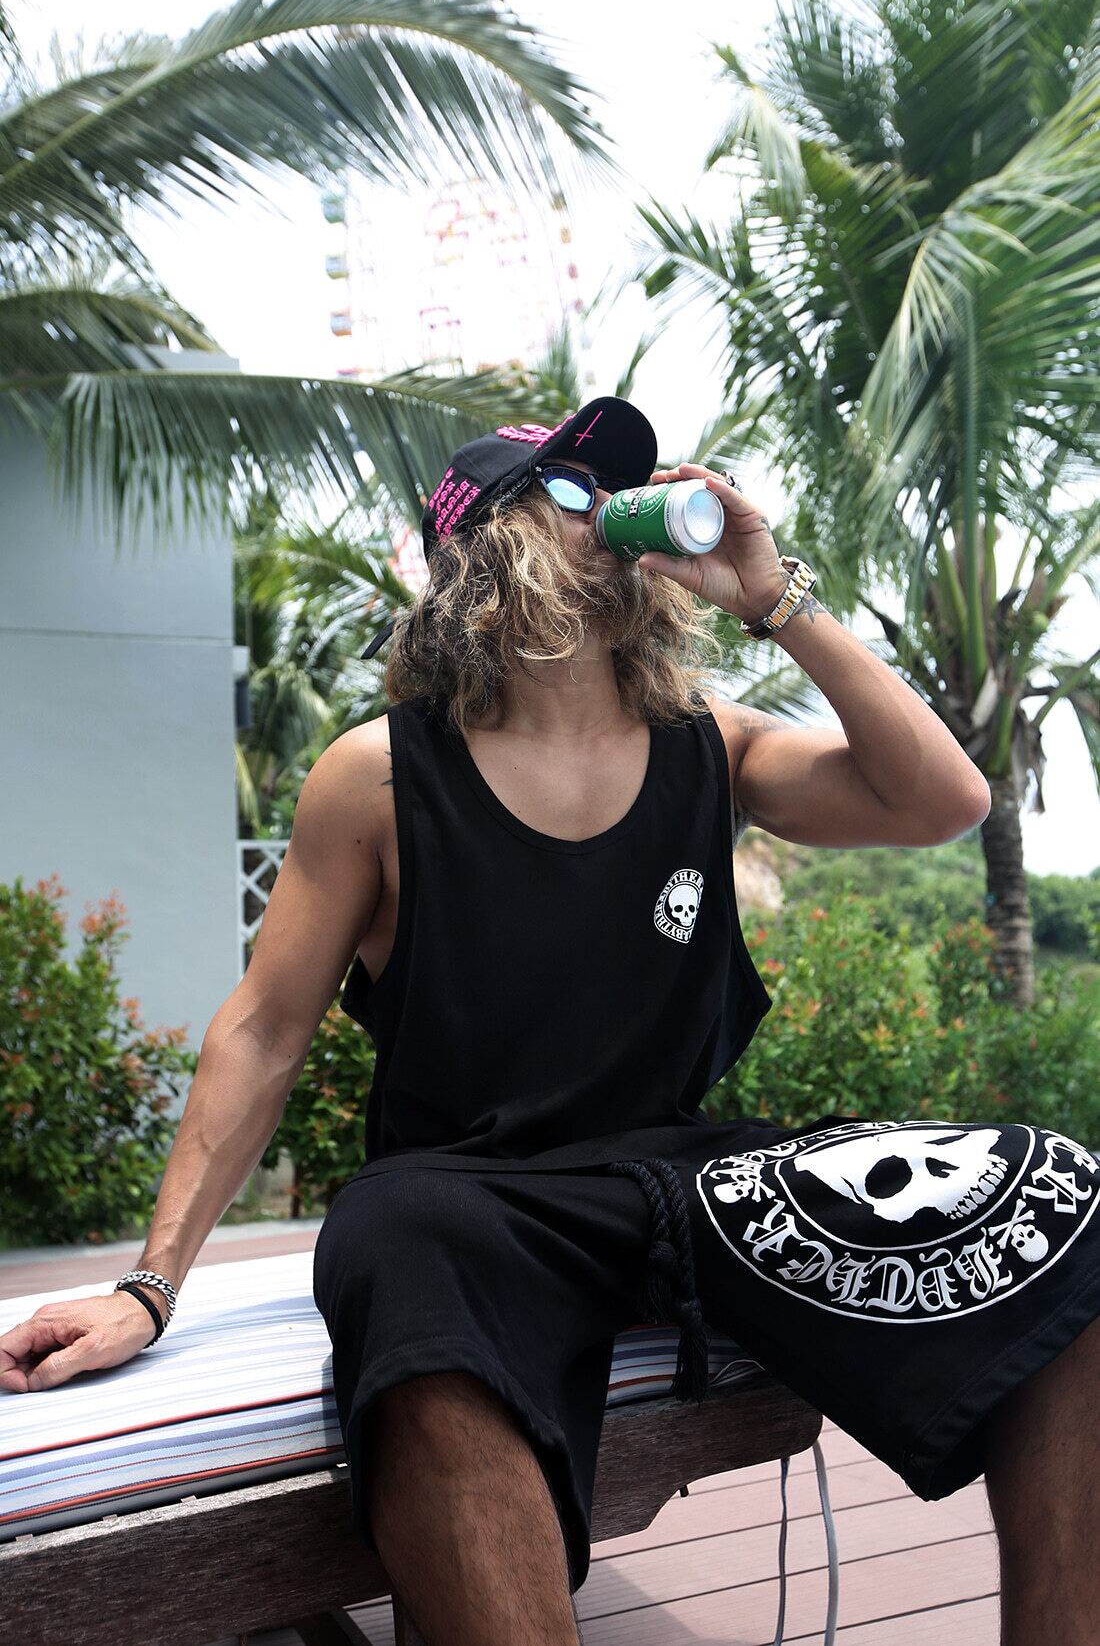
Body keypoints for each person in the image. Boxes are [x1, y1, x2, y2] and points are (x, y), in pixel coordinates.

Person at [2, 397, 1098, 1646]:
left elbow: (941, 800)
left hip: (676, 1185)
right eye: (570, 491)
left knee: (1051, 1193)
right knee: (387, 1233)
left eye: (616, 491)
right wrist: (149, 1289)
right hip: (471, 1200)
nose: (610, 515)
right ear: (481, 545)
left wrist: (773, 598)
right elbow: (261, 1030)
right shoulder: (379, 773)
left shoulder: (710, 745)